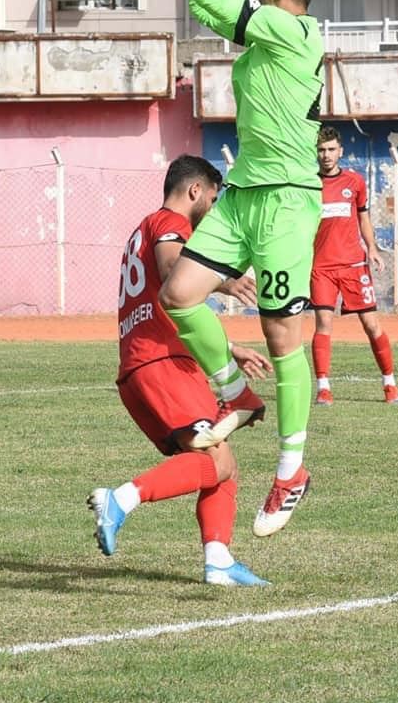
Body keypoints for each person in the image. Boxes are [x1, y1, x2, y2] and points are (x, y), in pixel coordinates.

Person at [159, 0, 325, 538]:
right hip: (244, 193)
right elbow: (206, 6)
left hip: (285, 201)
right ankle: (235, 391)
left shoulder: (293, 31)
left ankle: (291, 471)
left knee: (283, 335)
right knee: (180, 294)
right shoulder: (269, 36)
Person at [88, 154, 273, 586]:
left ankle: (219, 560)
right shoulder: (172, 224)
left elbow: (164, 302)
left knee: (223, 463)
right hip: (164, 363)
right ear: (195, 191)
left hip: (141, 365)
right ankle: (120, 500)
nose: (213, 207)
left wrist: (228, 348)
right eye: (213, 198)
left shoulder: (143, 229)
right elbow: (174, 274)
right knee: (215, 461)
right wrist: (226, 280)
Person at [309, 126, 398, 406]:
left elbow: (363, 217)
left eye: (331, 149)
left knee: (371, 324)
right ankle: (323, 387)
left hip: (353, 265)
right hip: (321, 268)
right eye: (321, 150)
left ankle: (389, 383)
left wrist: (372, 248)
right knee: (323, 323)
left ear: (340, 151)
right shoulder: (308, 184)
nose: (326, 155)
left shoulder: (355, 182)